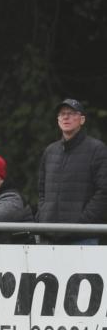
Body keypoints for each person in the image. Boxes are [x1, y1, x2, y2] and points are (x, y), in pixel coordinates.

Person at [37, 99, 107, 245]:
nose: (65, 117)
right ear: (57, 120)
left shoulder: (97, 149)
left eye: (71, 113)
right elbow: (41, 190)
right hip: (49, 236)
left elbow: (103, 191)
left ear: (82, 120)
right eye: (62, 114)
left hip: (83, 237)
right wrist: (44, 216)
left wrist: (82, 222)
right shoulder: (50, 151)